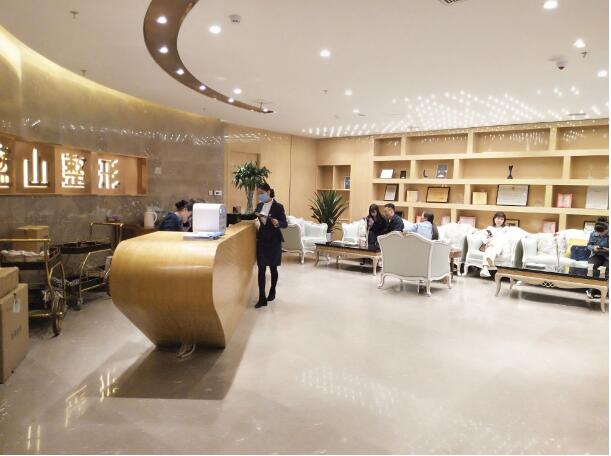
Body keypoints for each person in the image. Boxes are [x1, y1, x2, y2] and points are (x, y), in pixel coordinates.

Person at [254, 183, 287, 308]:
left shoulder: (278, 207)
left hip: (274, 240)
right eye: (258, 194)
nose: (259, 196)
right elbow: (253, 215)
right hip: (262, 240)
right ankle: (262, 298)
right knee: (261, 269)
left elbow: (285, 224)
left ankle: (272, 290)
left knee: (273, 268)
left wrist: (278, 223)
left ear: (268, 192)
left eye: (261, 193)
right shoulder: (259, 205)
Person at [479, 211, 508, 278]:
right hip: (491, 247)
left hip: (500, 247)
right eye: (498, 218)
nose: (499, 221)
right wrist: (487, 237)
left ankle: (487, 265)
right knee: (489, 248)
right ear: (494, 219)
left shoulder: (505, 229)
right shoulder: (489, 228)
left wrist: (492, 241)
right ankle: (485, 269)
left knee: (493, 245)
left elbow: (504, 241)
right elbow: (484, 241)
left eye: (502, 219)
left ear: (504, 221)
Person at [586, 217, 609, 299]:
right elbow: (588, 245)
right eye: (598, 232)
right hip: (597, 255)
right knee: (591, 266)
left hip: (608, 257)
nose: (600, 234)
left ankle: (600, 291)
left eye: (602, 232)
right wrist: (593, 248)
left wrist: (607, 249)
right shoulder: (593, 233)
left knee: (604, 269)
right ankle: (591, 289)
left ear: (607, 229)